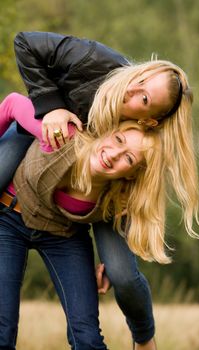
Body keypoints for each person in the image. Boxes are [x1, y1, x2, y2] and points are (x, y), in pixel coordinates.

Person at [0, 31, 199, 350]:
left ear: (151, 120)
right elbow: (21, 60)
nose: (133, 87)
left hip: (64, 229)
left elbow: (138, 194)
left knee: (121, 276)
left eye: (145, 99)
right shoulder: (93, 62)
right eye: (143, 78)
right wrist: (50, 105)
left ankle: (145, 340)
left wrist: (113, 253)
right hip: (42, 133)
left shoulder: (131, 150)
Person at [0, 92, 163, 350]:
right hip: (8, 219)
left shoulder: (117, 197)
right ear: (108, 132)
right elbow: (11, 103)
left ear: (131, 175)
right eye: (118, 139)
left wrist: (110, 264)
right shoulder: (66, 134)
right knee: (1, 331)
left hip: (63, 236)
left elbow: (124, 242)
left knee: (87, 339)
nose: (114, 154)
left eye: (129, 159)